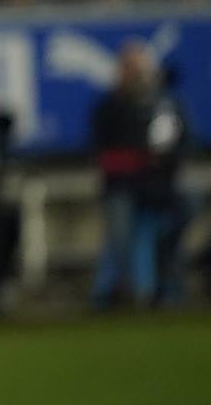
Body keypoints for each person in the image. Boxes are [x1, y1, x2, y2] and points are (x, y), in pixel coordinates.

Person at [90, 41, 190, 307]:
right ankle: (124, 291)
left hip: (158, 187)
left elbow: (180, 144)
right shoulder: (110, 105)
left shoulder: (163, 104)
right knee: (121, 235)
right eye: (129, 69)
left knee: (178, 217)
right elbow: (103, 145)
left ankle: (166, 288)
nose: (136, 76)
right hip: (121, 186)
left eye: (139, 69)